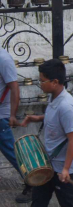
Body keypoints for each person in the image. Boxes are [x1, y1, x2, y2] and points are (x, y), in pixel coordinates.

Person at [20, 59, 73, 207]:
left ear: (54, 82)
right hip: (48, 164)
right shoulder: (53, 97)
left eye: (42, 81)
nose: (40, 84)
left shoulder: (66, 107)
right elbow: (56, 120)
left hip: (62, 168)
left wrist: (66, 169)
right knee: (38, 201)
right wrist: (37, 118)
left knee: (69, 203)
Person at [0, 47, 32, 203]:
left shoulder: (3, 59)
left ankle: (34, 183)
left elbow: (14, 88)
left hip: (1, 116)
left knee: (13, 154)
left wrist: (12, 115)